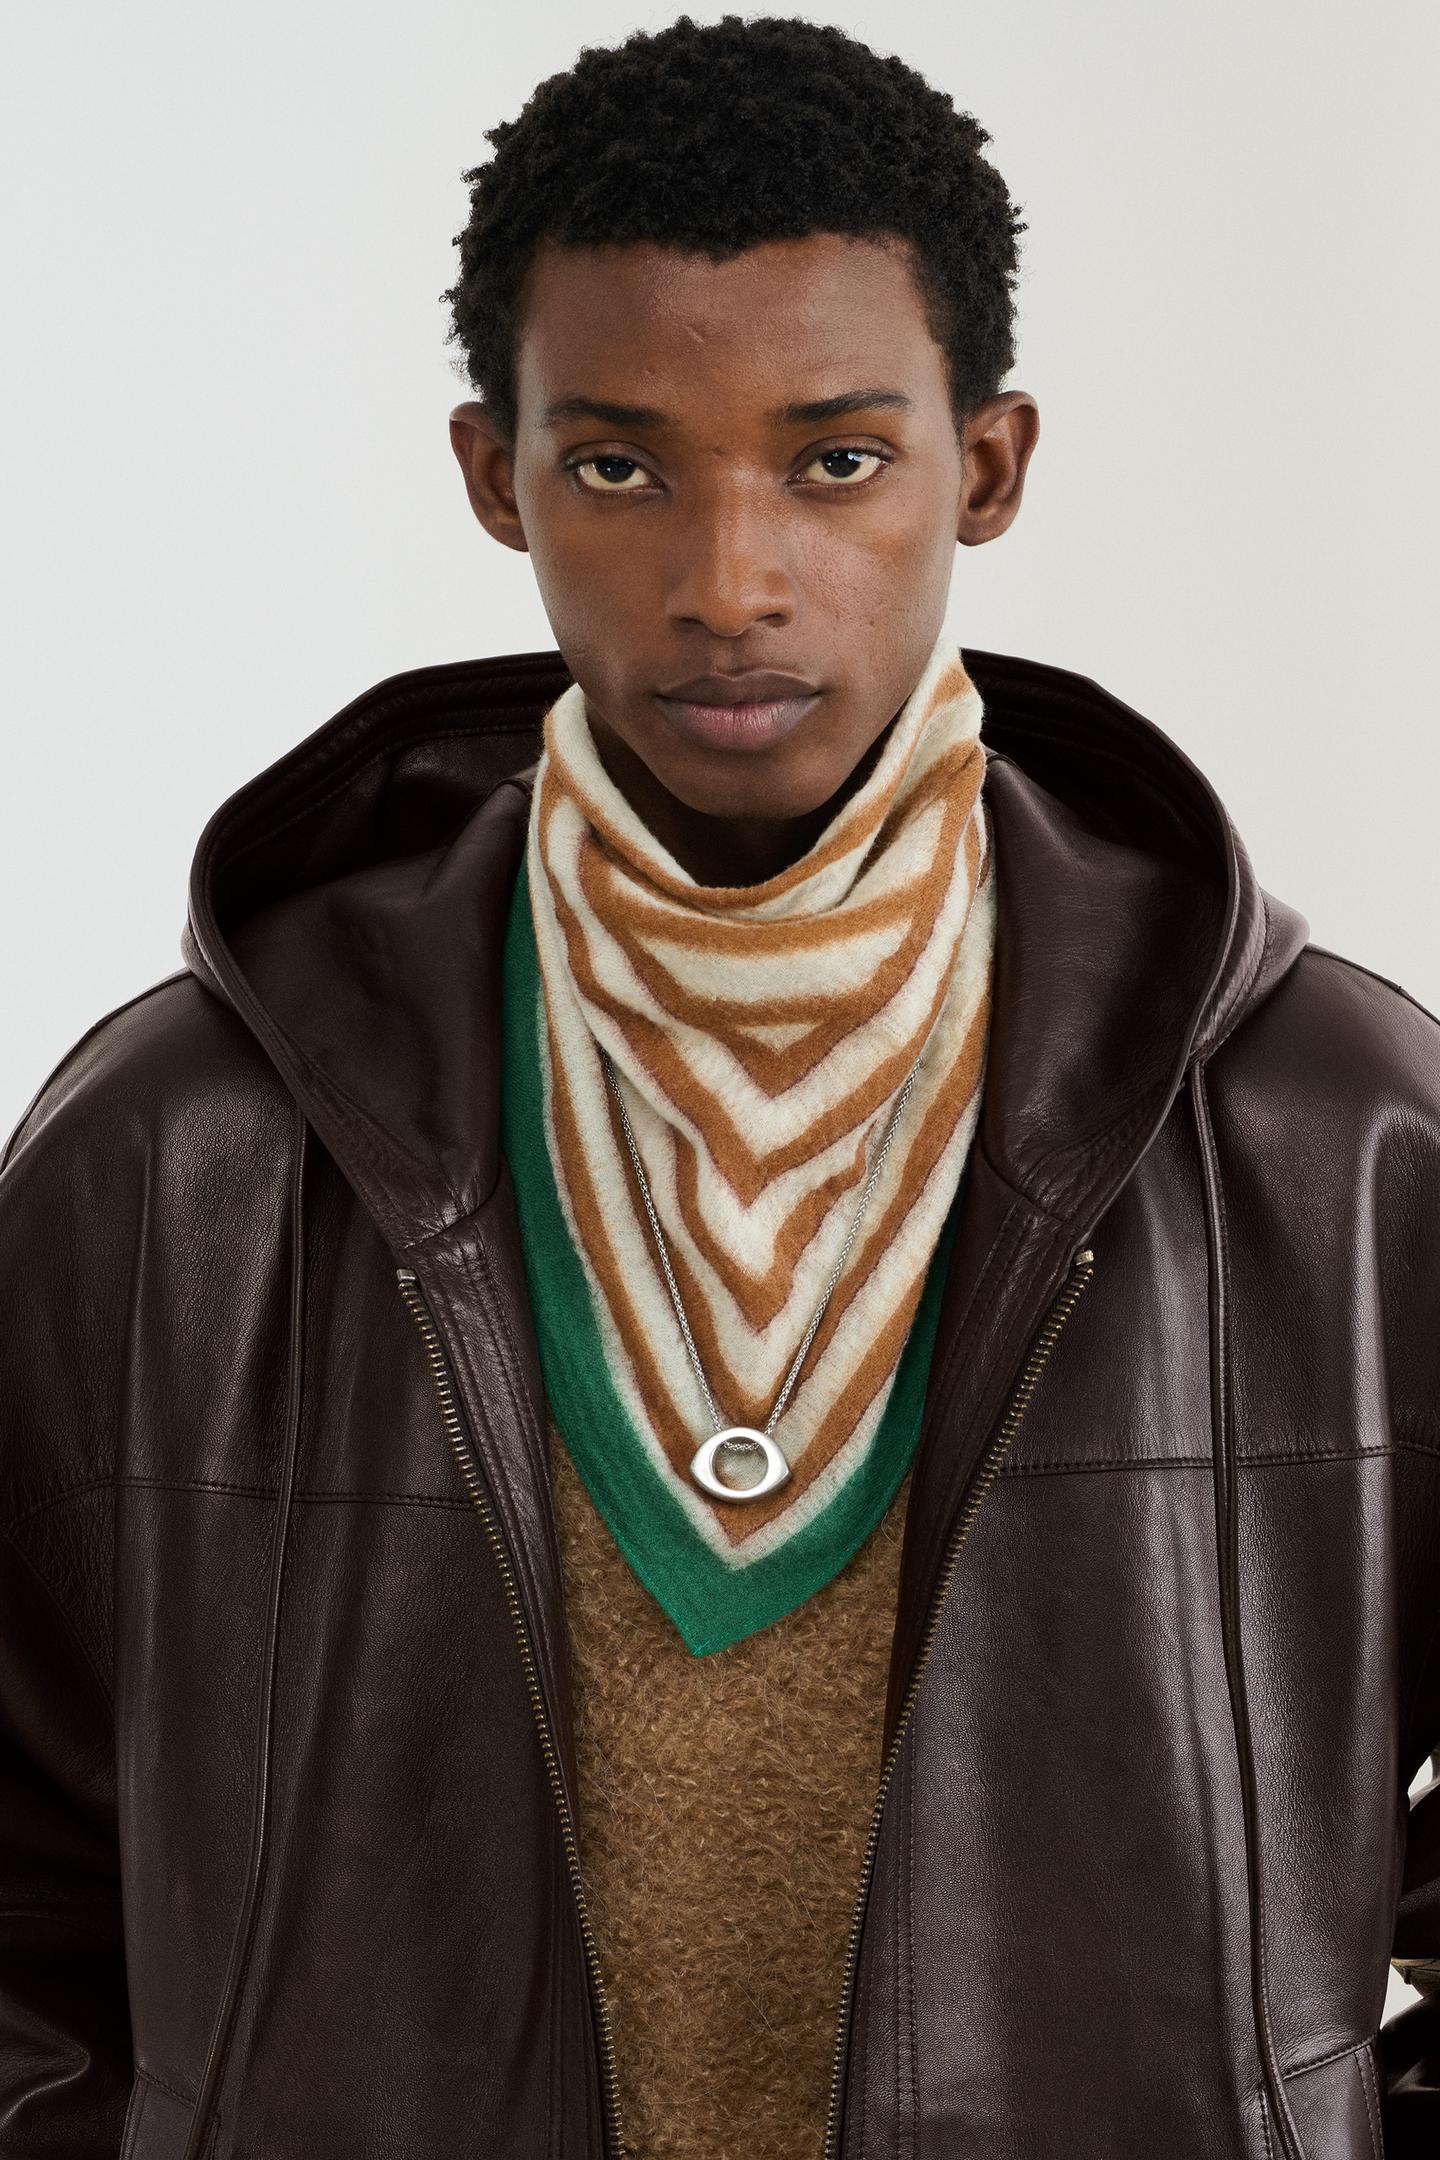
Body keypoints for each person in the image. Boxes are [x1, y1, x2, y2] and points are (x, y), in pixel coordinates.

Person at [1, 14, 1436, 2159]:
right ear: (492, 474)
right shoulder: (181, 1152)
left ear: (991, 466)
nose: (729, 581)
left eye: (836, 461)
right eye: (619, 466)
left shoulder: (1336, 1134)